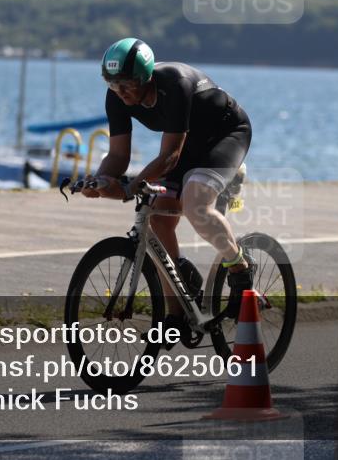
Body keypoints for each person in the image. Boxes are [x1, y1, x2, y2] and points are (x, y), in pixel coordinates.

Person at [82, 37, 254, 337]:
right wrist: (99, 180)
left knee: (195, 204)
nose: (120, 93)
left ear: (145, 78)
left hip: (225, 135)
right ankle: (178, 316)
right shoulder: (117, 96)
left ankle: (240, 268)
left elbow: (170, 156)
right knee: (158, 216)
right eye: (112, 84)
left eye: (126, 85)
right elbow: (118, 156)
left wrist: (131, 186)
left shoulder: (174, 83)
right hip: (186, 142)